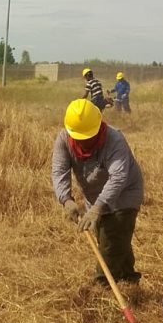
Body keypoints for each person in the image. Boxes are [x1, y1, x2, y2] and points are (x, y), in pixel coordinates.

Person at [52, 99, 143, 286]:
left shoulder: (114, 139)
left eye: (88, 136)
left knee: (111, 240)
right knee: (113, 240)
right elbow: (59, 171)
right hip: (94, 197)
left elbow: (118, 177)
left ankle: (102, 289)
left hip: (124, 194)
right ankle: (129, 281)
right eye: (80, 137)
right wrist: (66, 199)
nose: (84, 141)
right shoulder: (63, 140)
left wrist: (98, 208)